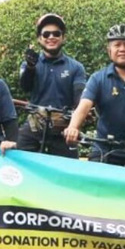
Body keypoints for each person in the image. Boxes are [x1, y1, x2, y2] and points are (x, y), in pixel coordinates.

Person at [62, 24, 125, 170]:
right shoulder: (98, 78)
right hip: (105, 150)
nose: (122, 49)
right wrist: (73, 127)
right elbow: (83, 106)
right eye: (117, 45)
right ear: (109, 50)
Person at [16, 13, 87, 158]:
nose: (51, 37)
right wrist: (30, 68)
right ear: (39, 39)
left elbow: (79, 100)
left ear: (63, 37)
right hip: (35, 126)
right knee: (15, 157)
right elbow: (25, 88)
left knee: (69, 174)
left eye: (56, 33)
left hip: (63, 128)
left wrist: (75, 125)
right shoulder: (29, 64)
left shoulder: (76, 67)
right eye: (46, 34)